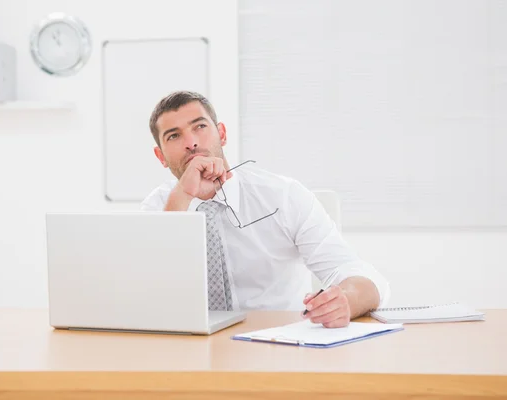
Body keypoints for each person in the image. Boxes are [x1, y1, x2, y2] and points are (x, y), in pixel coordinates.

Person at [141, 91, 390, 328]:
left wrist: (346, 299)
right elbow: (148, 288)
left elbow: (358, 273)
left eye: (200, 127)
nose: (191, 143)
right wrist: (183, 196)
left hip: (276, 344)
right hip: (190, 350)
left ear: (222, 134)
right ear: (160, 156)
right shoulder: (159, 206)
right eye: (174, 136)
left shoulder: (283, 195)